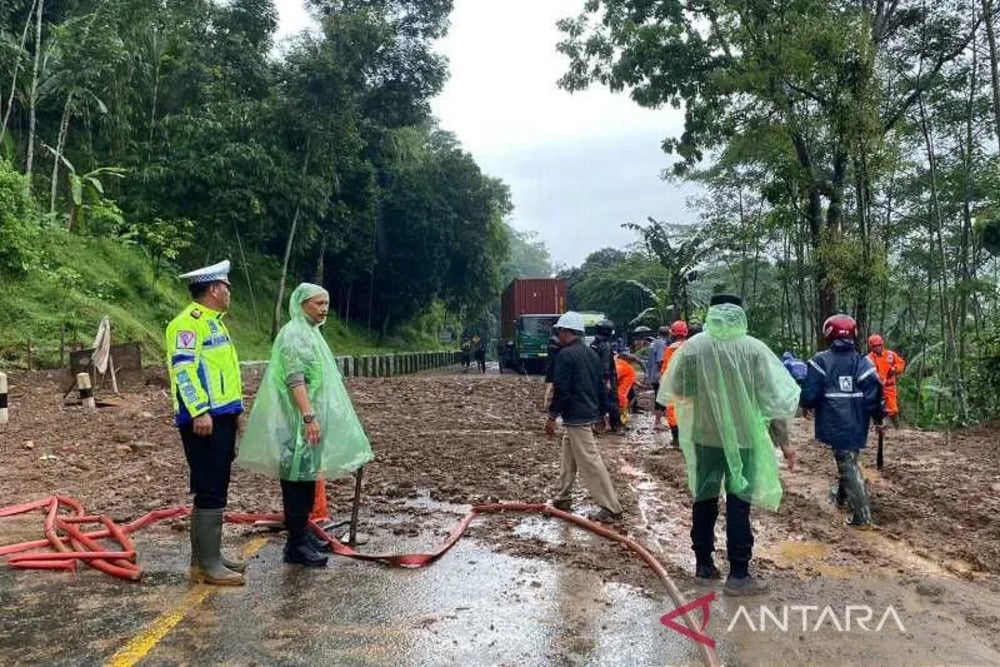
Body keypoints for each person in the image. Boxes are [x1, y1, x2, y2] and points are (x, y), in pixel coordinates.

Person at [660, 294, 799, 595]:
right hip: (744, 439)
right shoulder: (754, 349)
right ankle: (738, 574)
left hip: (705, 436)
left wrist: (711, 392)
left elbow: (679, 388)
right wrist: (785, 443)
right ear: (740, 315)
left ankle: (704, 565)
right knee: (739, 502)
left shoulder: (694, 347)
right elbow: (772, 402)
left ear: (712, 314)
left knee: (705, 497)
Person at [238, 283, 374, 566]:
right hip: (296, 423)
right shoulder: (295, 335)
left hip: (306, 421)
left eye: (326, 303)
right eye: (317, 304)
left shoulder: (310, 333)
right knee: (295, 481)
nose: (324, 309)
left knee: (307, 477)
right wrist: (308, 416)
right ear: (301, 304)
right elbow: (295, 378)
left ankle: (302, 535)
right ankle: (295, 545)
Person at [166, 260, 246, 586]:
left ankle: (205, 557)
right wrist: (199, 410)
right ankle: (208, 564)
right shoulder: (187, 324)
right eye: (226, 287)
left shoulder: (215, 323)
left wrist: (236, 411)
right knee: (210, 486)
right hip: (204, 420)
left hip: (222, 416)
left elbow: (223, 373)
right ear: (214, 289)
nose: (229, 293)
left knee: (214, 484)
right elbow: (183, 370)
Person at [801, 315, 885, 530]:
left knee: (847, 462)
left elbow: (811, 392)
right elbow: (874, 393)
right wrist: (878, 418)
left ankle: (862, 516)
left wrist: (807, 405)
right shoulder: (862, 362)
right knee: (848, 457)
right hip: (857, 420)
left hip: (835, 421)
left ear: (828, 334)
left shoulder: (821, 361)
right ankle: (841, 496)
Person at [545, 311, 624, 523]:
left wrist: (552, 416)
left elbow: (562, 389)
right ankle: (563, 497)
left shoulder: (565, 356)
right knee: (568, 454)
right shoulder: (591, 354)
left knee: (590, 460)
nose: (557, 336)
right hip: (586, 412)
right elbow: (601, 386)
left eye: (559, 331)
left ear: (565, 332)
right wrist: (601, 413)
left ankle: (610, 506)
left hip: (576, 415)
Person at [653, 320, 689, 444]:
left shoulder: (670, 350)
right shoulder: (692, 347)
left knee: (672, 410)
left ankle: (676, 439)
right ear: (686, 333)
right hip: (690, 385)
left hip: (674, 384)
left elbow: (665, 370)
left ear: (672, 333)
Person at [867, 334, 906, 427]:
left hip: (889, 387)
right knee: (875, 408)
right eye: (875, 346)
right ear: (871, 347)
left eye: (879, 345)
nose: (877, 348)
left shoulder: (891, 355)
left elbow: (901, 364)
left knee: (893, 409)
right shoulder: (868, 359)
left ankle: (897, 428)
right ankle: (877, 427)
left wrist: (894, 369)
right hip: (876, 388)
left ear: (882, 344)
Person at [591, 319, 621, 434]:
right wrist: (607, 380)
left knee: (598, 401)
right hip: (605, 379)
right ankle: (616, 427)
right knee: (612, 402)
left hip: (594, 378)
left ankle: (598, 424)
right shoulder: (606, 346)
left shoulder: (594, 344)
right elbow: (606, 365)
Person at [645, 326, 669, 397]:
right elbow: (660, 360)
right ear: (667, 335)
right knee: (660, 397)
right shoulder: (661, 344)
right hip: (658, 375)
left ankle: (656, 407)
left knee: (657, 395)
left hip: (652, 374)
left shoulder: (653, 343)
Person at [615, 353, 639, 423]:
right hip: (621, 385)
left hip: (619, 384)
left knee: (621, 396)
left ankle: (622, 415)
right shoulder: (626, 367)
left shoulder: (618, 363)